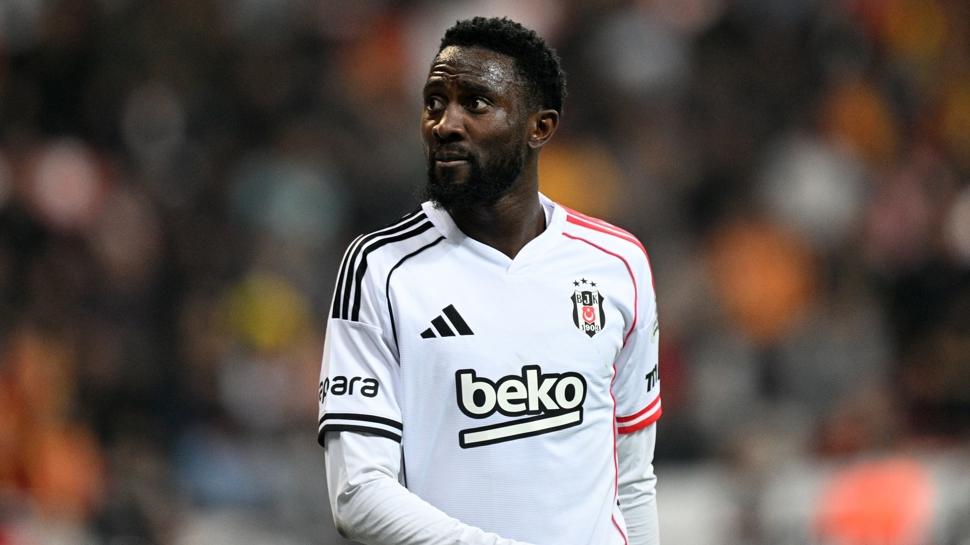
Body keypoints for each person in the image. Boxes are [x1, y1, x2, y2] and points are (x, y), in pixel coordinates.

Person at [318, 16, 661, 545]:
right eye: (434, 102)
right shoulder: (380, 269)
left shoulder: (616, 263)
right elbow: (357, 494)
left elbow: (633, 481)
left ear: (539, 127)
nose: (445, 124)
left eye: (475, 103)